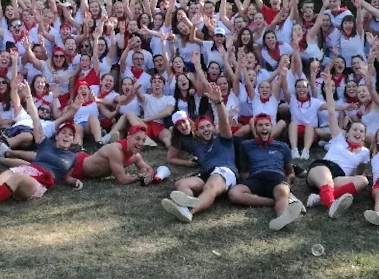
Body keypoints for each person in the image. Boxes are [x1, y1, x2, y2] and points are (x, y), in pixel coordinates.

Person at [160, 85, 238, 223]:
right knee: (181, 184)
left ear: (213, 127)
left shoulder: (224, 139)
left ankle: (189, 212)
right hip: (206, 174)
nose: (205, 129)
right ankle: (187, 203)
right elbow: (172, 156)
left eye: (208, 126)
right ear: (197, 132)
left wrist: (219, 103)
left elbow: (224, 123)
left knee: (210, 187)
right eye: (201, 128)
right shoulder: (198, 147)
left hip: (224, 172)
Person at [304, 76, 370, 219]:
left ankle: (320, 198)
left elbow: (360, 171)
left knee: (363, 181)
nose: (358, 133)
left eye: (361, 131)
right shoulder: (338, 138)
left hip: (340, 177)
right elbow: (331, 112)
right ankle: (332, 205)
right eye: (355, 129)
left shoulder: (365, 152)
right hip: (323, 167)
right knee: (327, 181)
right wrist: (328, 88)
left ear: (364, 137)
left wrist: (358, 177)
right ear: (348, 132)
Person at [228, 114, 306, 231]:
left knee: (281, 191)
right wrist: (245, 181)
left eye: (267, 125)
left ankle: (282, 217)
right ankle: (273, 201)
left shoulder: (282, 147)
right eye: (260, 125)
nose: (264, 128)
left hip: (276, 176)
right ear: (255, 128)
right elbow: (244, 171)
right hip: (255, 178)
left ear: (271, 127)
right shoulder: (246, 145)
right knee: (234, 193)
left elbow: (290, 172)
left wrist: (287, 183)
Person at [71, 124, 154, 185]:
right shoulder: (116, 151)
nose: (140, 143)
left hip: (87, 161)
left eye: (143, 140)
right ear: (128, 138)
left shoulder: (136, 156)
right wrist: (138, 176)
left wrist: (148, 174)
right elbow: (122, 180)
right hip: (76, 165)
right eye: (137, 139)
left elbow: (149, 169)